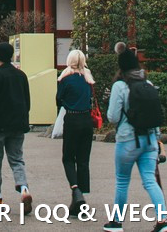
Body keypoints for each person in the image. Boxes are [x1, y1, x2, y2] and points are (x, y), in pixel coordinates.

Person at [103, 48, 167, 232]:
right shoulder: (147, 82)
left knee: (123, 181)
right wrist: (155, 138)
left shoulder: (119, 86)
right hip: (149, 140)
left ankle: (116, 222)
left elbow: (113, 117)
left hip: (127, 140)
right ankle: (163, 221)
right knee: (150, 180)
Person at [0, 41, 31, 213]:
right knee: (17, 159)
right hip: (17, 125)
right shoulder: (21, 75)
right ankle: (24, 189)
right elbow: (27, 101)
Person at [57, 49, 96, 220]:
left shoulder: (65, 79)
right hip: (87, 120)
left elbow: (59, 99)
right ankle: (79, 199)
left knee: (68, 158)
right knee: (83, 159)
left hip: (72, 120)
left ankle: (75, 189)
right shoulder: (88, 79)